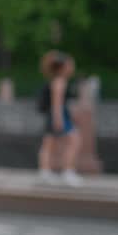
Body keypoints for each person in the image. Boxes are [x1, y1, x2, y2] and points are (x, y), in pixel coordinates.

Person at [36, 50, 83, 187]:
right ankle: (67, 172)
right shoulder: (60, 82)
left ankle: (46, 172)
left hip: (56, 115)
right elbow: (57, 103)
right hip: (59, 116)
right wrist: (59, 120)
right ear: (62, 68)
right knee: (73, 141)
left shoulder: (56, 81)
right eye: (69, 66)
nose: (71, 68)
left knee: (49, 144)